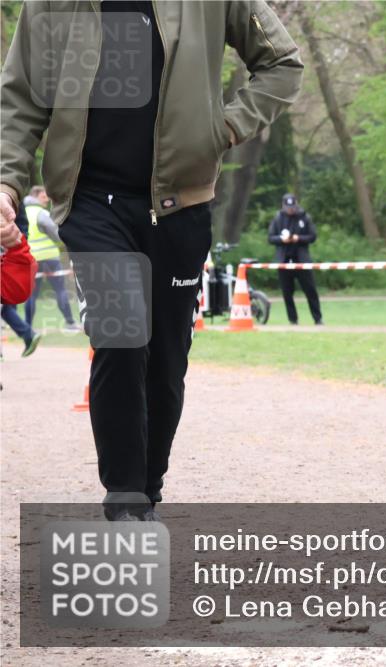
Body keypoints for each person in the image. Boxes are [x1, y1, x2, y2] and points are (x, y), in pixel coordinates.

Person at [1, 0, 303, 520]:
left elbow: (282, 64)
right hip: (91, 200)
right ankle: (123, 500)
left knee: (165, 359)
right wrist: (7, 181)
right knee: (121, 336)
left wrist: (222, 128)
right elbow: (22, 99)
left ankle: (147, 490)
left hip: (180, 203)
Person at [23, 186, 79, 332]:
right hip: (50, 258)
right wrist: (63, 243)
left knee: (32, 294)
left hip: (31, 259)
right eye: (43, 197)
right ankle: (70, 324)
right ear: (34, 196)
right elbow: (55, 232)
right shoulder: (41, 213)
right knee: (60, 290)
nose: (46, 200)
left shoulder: (21, 213)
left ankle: (27, 327)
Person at [268, 193, 323, 325]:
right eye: (288, 207)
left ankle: (318, 318)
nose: (290, 209)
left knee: (310, 290)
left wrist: (299, 238)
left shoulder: (305, 218)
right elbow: (271, 238)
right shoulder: (278, 219)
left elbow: (312, 236)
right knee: (287, 292)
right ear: (283, 206)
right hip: (284, 261)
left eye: (293, 207)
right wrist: (282, 239)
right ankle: (293, 320)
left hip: (302, 260)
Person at [0, 204, 42, 357]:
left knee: (6, 308)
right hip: (14, 256)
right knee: (6, 309)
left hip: (12, 255)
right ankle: (28, 334)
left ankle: (28, 335)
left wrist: (15, 250)